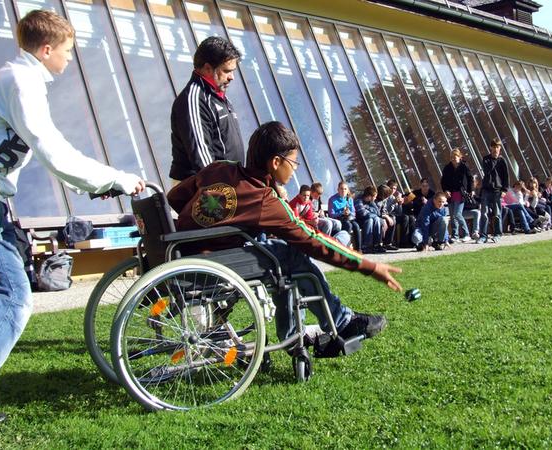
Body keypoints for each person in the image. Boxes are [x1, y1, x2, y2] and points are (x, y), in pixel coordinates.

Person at [0, 10, 145, 440]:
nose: (70, 60)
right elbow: (52, 150)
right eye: (68, 51)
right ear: (46, 49)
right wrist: (116, 178)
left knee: (14, 299)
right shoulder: (21, 81)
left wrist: (98, 183)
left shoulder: (22, 80)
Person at [166, 121, 401, 348]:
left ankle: (294, 333)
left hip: (180, 254)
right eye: (294, 162)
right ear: (276, 162)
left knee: (273, 248)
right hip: (215, 265)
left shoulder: (220, 168)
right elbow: (312, 239)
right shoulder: (264, 200)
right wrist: (367, 265)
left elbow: (175, 197)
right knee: (291, 255)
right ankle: (339, 321)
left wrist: (207, 228)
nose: (295, 168)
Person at [170, 36, 244, 183]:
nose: (232, 77)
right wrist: (222, 192)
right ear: (207, 68)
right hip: (202, 192)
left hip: (226, 187)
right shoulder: (194, 100)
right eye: (227, 71)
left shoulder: (219, 96)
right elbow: (202, 158)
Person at [477, 138, 509, 243]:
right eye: (494, 147)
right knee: (484, 213)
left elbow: (506, 176)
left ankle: (497, 234)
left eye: (497, 147)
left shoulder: (502, 161)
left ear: (500, 148)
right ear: (491, 148)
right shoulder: (486, 159)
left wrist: (505, 189)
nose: (495, 149)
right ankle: (483, 235)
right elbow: (487, 170)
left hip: (497, 190)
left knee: (497, 213)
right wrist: (494, 158)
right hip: (486, 189)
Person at [440, 148, 473, 243]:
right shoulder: (447, 168)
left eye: (455, 157)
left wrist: (470, 190)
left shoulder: (464, 166)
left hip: (461, 193)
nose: (453, 159)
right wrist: (445, 190)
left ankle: (466, 234)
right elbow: (443, 181)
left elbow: (470, 178)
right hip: (450, 194)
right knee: (452, 216)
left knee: (457, 214)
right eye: (452, 157)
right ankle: (455, 235)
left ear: (459, 157)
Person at [328, 181, 361, 250]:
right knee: (348, 225)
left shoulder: (349, 199)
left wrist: (349, 213)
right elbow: (331, 215)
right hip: (338, 219)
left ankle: (358, 249)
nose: (343, 190)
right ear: (338, 189)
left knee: (356, 226)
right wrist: (342, 213)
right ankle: (345, 247)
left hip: (348, 218)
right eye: (341, 188)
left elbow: (354, 212)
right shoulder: (332, 199)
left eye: (345, 189)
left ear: (347, 190)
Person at [355, 186, 384, 253]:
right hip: (359, 221)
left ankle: (377, 244)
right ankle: (366, 246)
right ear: (369, 196)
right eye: (374, 196)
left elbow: (378, 213)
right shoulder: (358, 200)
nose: (375, 198)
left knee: (376, 219)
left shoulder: (371, 202)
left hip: (368, 220)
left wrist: (368, 207)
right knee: (370, 220)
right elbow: (363, 213)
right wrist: (371, 211)